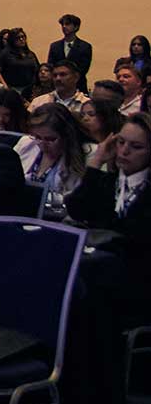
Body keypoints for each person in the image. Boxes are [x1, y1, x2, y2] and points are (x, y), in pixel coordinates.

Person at [67, 112, 151, 250]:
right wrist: (96, 161)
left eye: (136, 146)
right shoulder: (105, 181)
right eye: (121, 142)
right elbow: (75, 210)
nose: (124, 151)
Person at [17, 102, 90, 202]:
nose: (42, 145)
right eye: (37, 137)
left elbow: (77, 201)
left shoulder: (86, 154)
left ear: (66, 135)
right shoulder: (26, 143)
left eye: (50, 139)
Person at [48, 13, 93, 91]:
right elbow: (51, 65)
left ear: (76, 27)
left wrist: (68, 77)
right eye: (62, 25)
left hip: (78, 85)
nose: (64, 26)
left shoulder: (85, 46)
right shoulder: (55, 46)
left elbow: (83, 68)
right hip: (57, 86)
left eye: (67, 24)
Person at [0, 27, 41, 95]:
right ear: (12, 40)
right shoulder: (5, 54)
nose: (21, 39)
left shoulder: (30, 54)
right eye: (18, 38)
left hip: (30, 89)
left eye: (23, 37)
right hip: (13, 89)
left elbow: (37, 69)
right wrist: (4, 85)